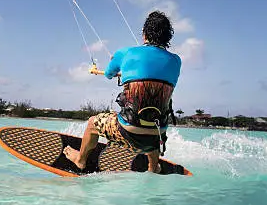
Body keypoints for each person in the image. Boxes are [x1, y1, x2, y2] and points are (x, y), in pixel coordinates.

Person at [63, 10, 181, 173]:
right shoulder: (176, 61)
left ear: (144, 34)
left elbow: (109, 74)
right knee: (154, 114)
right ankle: (153, 167)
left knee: (92, 124)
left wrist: (117, 71)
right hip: (158, 134)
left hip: (128, 130)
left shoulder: (126, 53)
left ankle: (80, 160)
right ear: (168, 38)